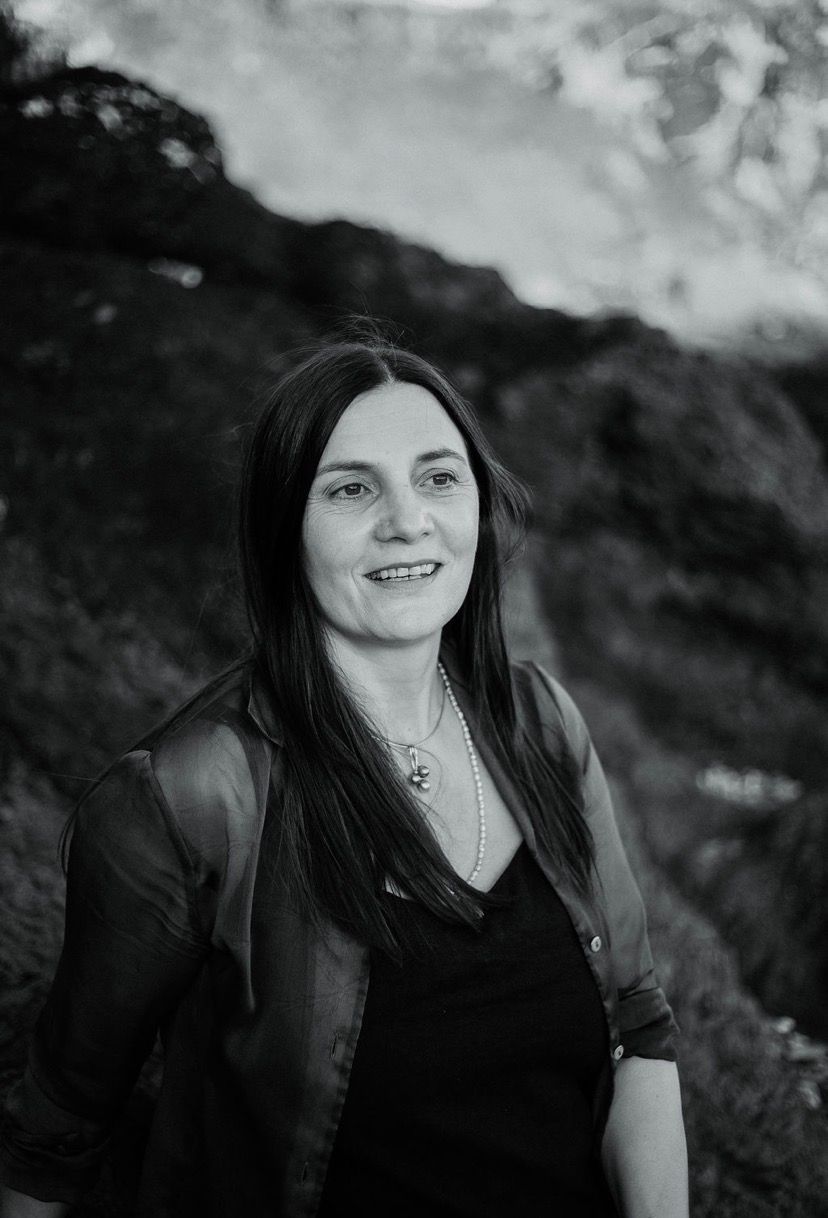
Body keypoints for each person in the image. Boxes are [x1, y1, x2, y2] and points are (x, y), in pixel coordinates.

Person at [0, 337, 688, 1218]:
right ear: (284, 529)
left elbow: (638, 1026)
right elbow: (57, 1128)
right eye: (351, 488)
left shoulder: (542, 725)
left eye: (439, 478)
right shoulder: (192, 797)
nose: (408, 520)